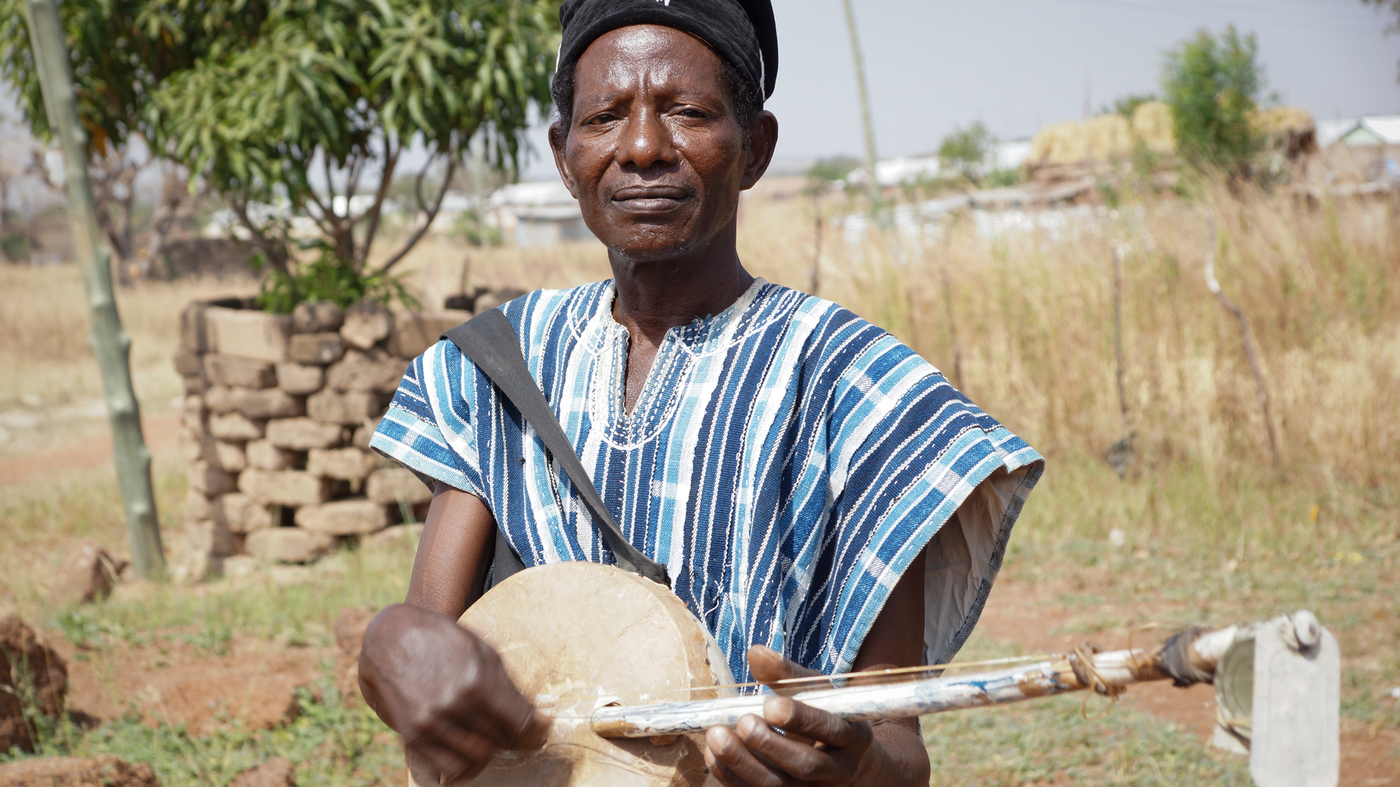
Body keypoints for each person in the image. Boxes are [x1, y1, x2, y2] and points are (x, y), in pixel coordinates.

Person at [358, 1, 1043, 784]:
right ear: (562, 152)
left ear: (755, 148)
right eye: (605, 117)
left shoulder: (861, 393)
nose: (643, 148)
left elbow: (897, 748)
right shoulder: (494, 368)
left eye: (686, 112)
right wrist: (388, 647)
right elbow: (424, 635)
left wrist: (850, 771)